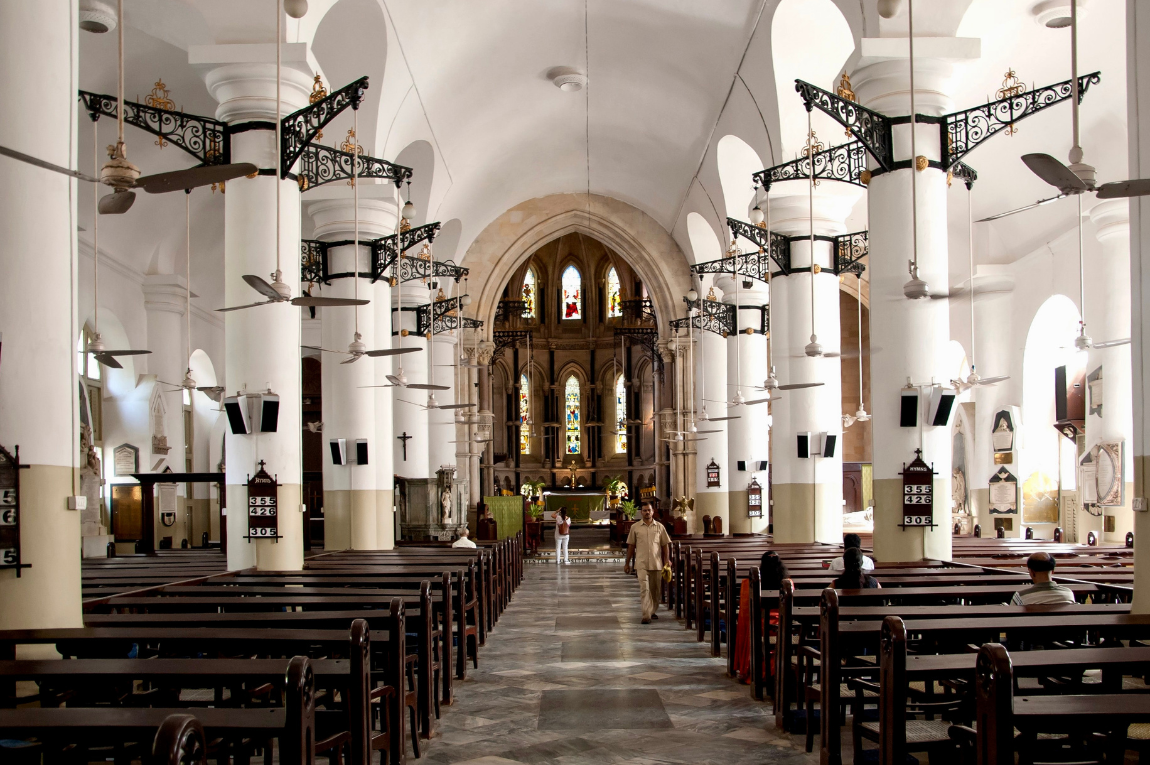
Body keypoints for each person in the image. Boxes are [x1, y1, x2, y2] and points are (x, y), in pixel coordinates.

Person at [733, 551, 790, 683]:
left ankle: (756, 668)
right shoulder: (788, 584)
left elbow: (746, 611)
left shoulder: (750, 584)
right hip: (782, 624)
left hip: (760, 624)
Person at [624, 503, 671, 624]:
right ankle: (646, 614)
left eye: (649, 510)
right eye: (644, 510)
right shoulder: (635, 527)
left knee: (655, 590)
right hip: (641, 563)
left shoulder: (660, 527)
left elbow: (665, 545)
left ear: (653, 511)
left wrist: (667, 559)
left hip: (656, 564)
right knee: (644, 589)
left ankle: (652, 610)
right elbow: (631, 546)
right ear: (641, 512)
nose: (647, 512)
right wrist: (627, 563)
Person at [1010, 552, 1076, 605]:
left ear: (1032, 572)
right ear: (1053, 571)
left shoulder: (1021, 597)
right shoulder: (1068, 593)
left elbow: (1012, 619)